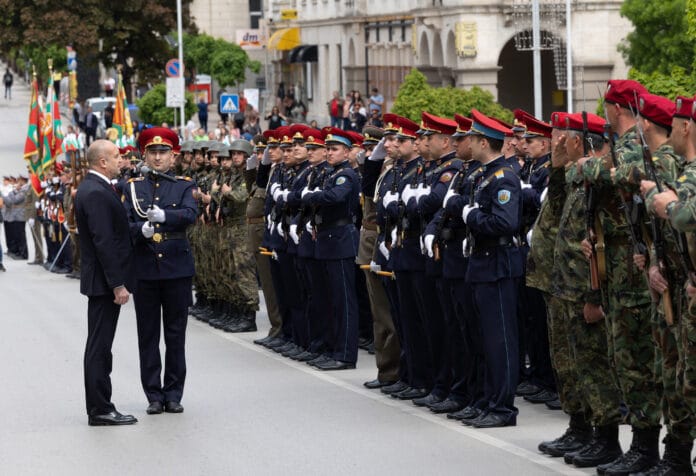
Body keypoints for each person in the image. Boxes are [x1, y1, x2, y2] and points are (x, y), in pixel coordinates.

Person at [122, 127, 197, 415]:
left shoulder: (184, 185)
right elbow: (124, 224)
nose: (157, 157)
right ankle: (153, 394)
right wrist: (139, 229)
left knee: (176, 335)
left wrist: (167, 216)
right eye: (152, 153)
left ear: (173, 157)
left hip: (177, 268)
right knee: (148, 335)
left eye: (163, 152)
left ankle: (174, 393)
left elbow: (191, 214)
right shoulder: (133, 186)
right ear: (144, 155)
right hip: (146, 268)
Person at [74, 139, 137, 426]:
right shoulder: (96, 192)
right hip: (103, 283)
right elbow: (104, 242)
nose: (120, 159)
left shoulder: (95, 187)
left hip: (100, 281)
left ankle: (100, 404)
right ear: (102, 162)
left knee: (99, 345)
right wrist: (118, 284)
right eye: (116, 156)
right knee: (100, 346)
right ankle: (100, 408)